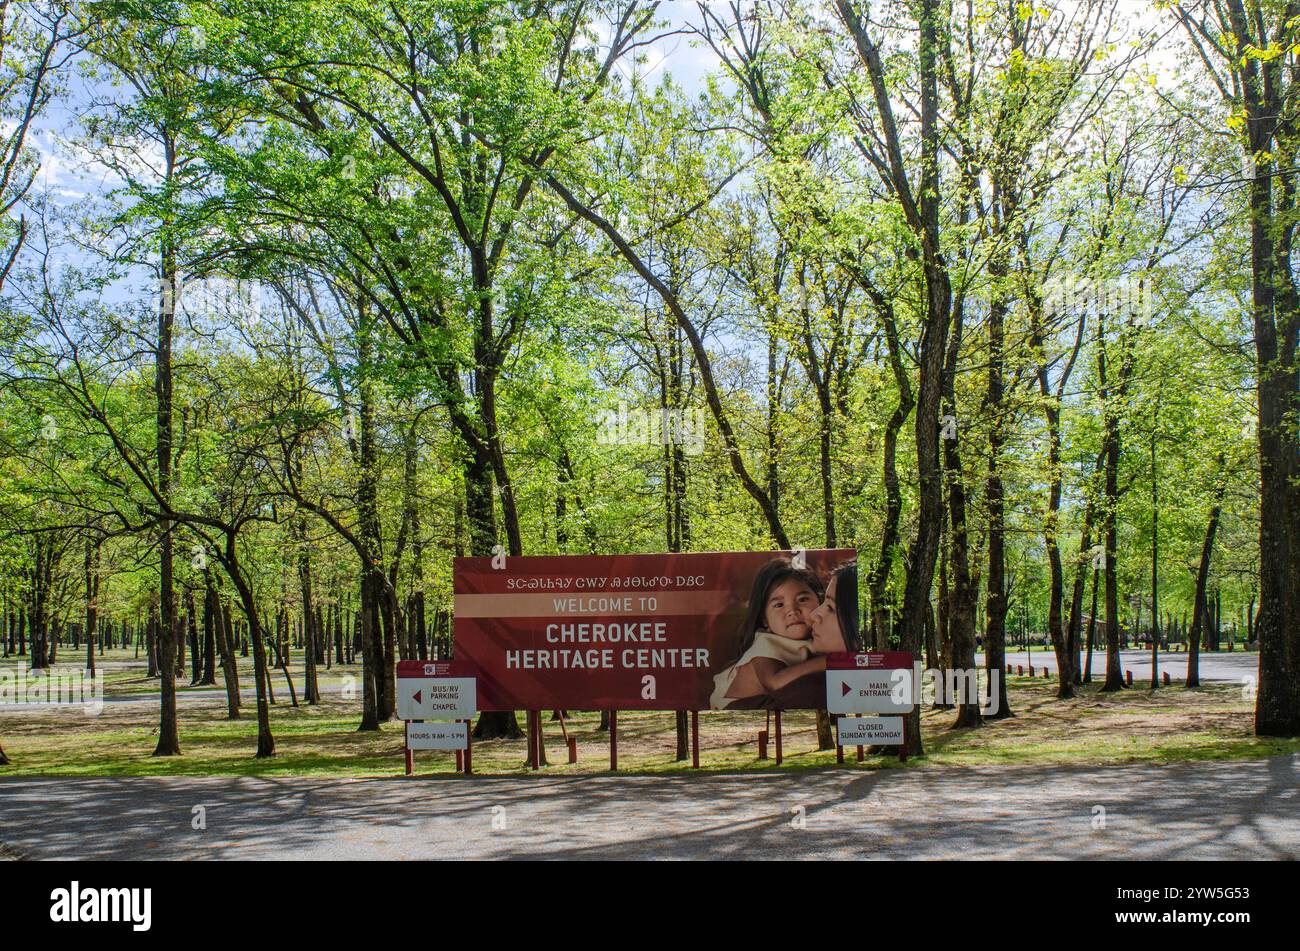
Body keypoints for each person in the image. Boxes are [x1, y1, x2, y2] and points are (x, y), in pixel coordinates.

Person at [709, 558, 824, 709]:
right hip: (737, 710)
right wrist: (827, 662)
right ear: (764, 619)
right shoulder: (765, 644)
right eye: (779, 605)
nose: (792, 611)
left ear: (821, 602)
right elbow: (775, 683)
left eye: (802, 599)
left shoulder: (820, 636)